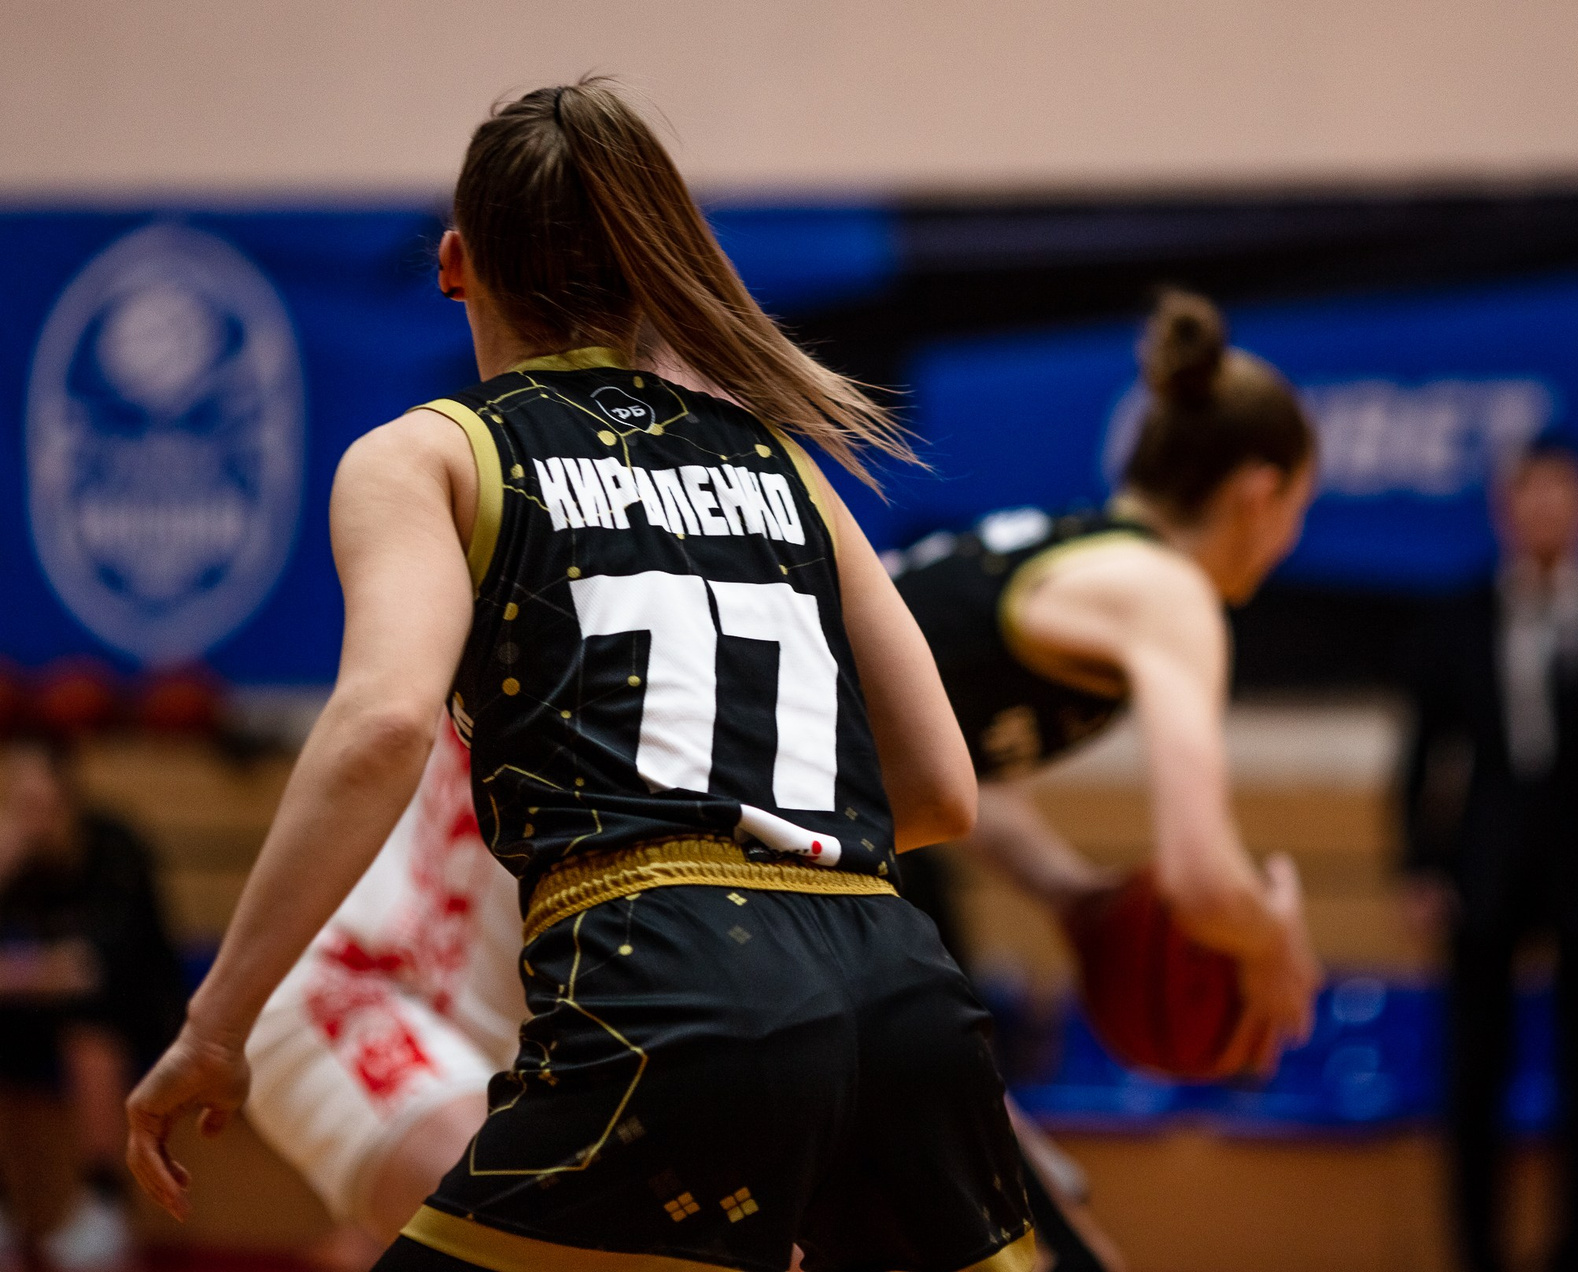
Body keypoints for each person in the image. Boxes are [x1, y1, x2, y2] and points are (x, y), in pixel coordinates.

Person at [126, 79, 1035, 1272]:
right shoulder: (785, 464)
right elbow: (941, 792)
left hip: (673, 995)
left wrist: (213, 1024)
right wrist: (772, 864)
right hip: (903, 1000)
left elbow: (384, 726)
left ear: (456, 264)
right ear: (646, 266)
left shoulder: (432, 455)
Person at [890, 291, 1325, 1268]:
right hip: (755, 858)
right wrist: (1272, 935)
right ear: (1259, 495)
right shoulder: (1168, 592)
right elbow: (1203, 879)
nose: (1291, 539)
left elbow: (938, 766)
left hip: (746, 827)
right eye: (1300, 510)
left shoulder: (1074, 549)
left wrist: (1070, 893)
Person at [1398, 437, 1578, 1272]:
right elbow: (1423, 757)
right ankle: (1478, 1252)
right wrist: (1419, 867)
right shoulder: (1458, 618)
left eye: (1559, 495)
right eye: (1528, 495)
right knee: (1473, 1079)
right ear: (1505, 509)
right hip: (1483, 874)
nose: (1543, 511)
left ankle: (1577, 1251)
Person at [243, 716, 525, 1269]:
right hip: (370, 984)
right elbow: (385, 720)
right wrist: (213, 1023)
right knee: (523, 1231)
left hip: (531, 1045)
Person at [0, 730, 185, 1272]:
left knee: (90, 1032)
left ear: (64, 788)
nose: (23, 802)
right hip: (38, 1014)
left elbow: (89, 969)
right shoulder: (15, 857)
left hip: (136, 1011)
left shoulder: (113, 846)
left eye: (33, 787)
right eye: (12, 791)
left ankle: (104, 1203)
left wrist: (22, 973)